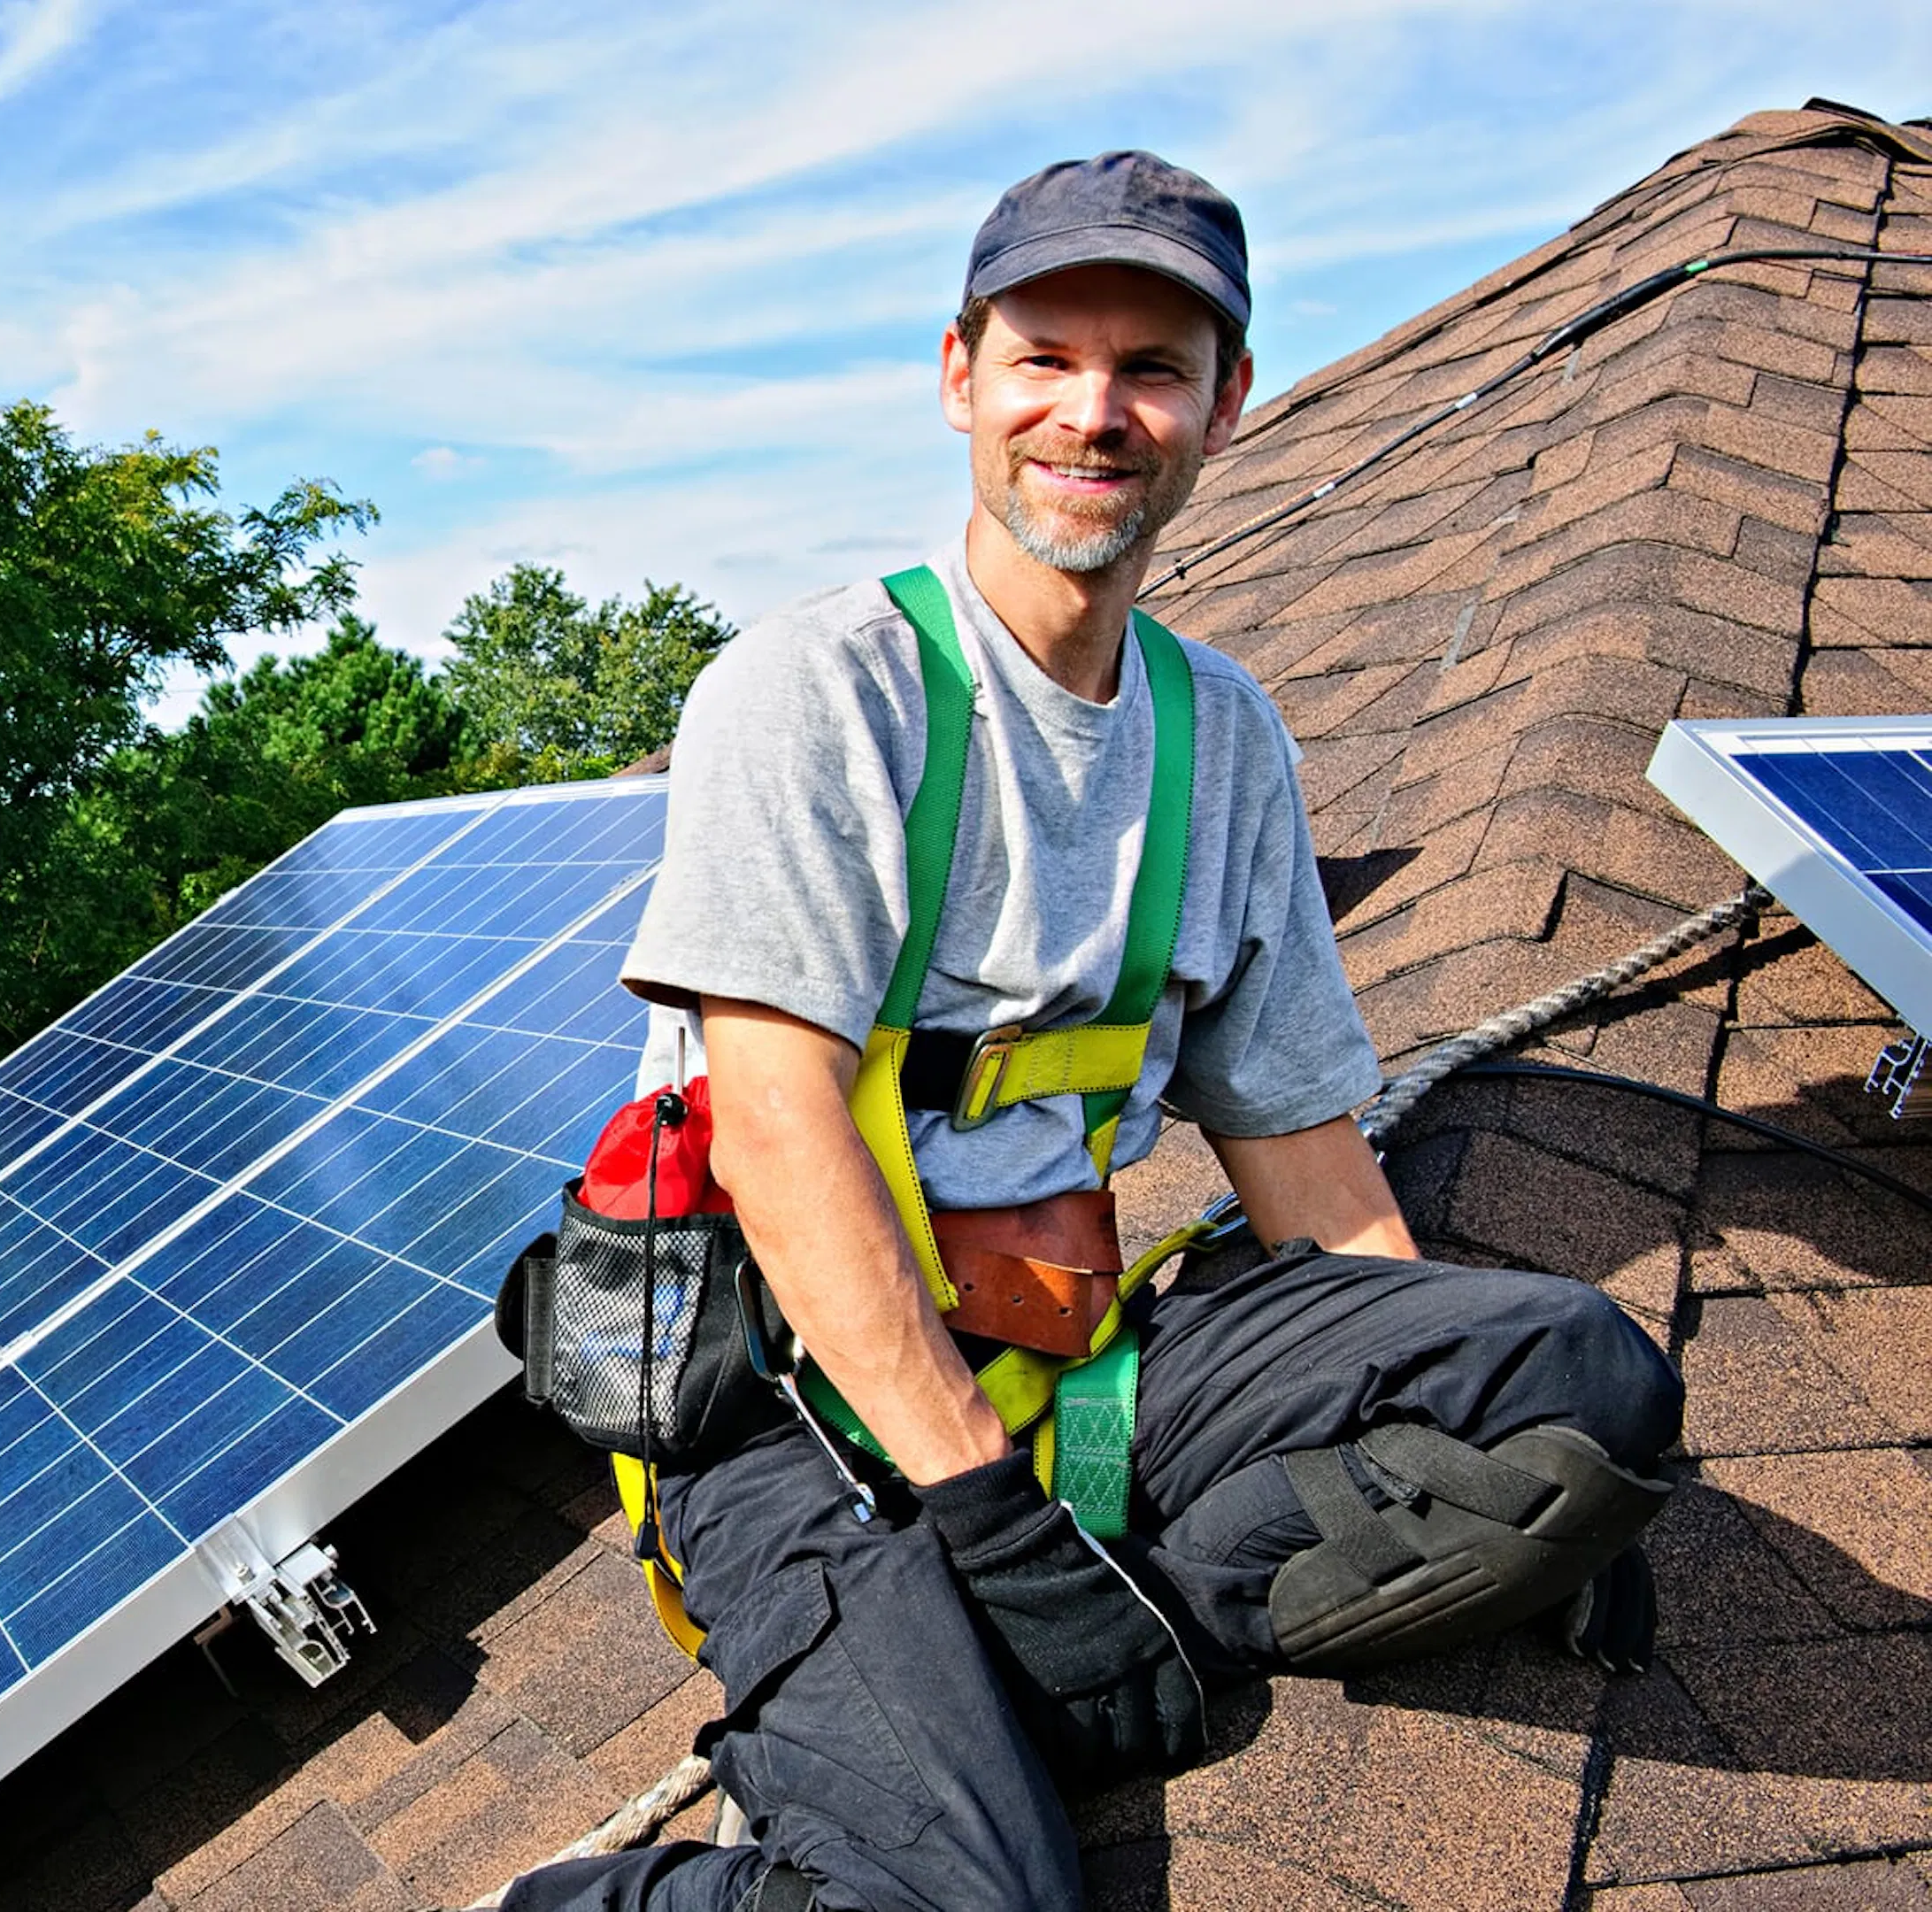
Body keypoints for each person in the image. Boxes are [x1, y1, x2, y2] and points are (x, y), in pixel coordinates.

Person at [497, 153, 1683, 1912]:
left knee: (1586, 1376)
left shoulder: (1226, 739)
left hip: (1074, 1370)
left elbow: (1301, 1156)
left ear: (1226, 405)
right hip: (797, 1418)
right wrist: (993, 1527)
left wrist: (1500, 1471)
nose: (1097, 412)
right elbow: (774, 1131)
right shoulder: (825, 693)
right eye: (1048, 355)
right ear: (962, 371)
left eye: (1153, 368)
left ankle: (1043, 1667)